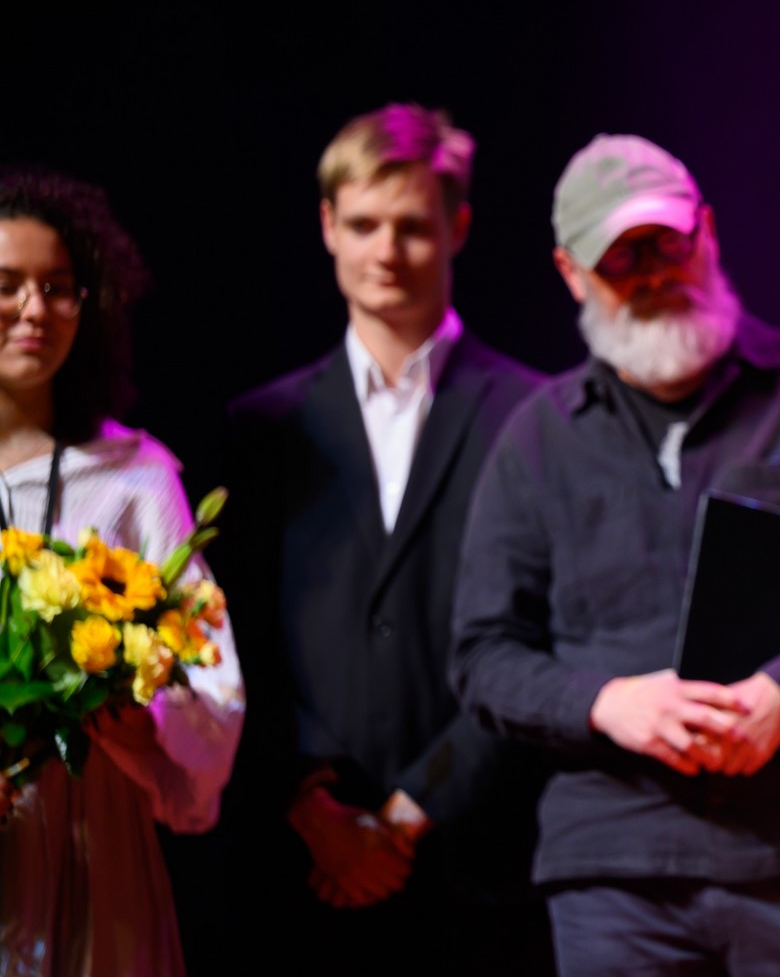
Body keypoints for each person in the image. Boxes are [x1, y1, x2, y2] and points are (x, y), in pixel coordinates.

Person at [449, 133, 780, 975]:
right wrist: (607, 703)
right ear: (570, 273)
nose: (652, 274)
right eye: (620, 259)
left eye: (665, 243)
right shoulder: (537, 437)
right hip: (616, 869)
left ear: (708, 230)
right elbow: (481, 656)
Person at [219, 105, 549, 973]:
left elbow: (546, 634)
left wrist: (411, 811)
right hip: (304, 867)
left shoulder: (536, 417)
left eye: (413, 226)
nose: (387, 251)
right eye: (364, 225)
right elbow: (233, 636)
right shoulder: (262, 428)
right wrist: (308, 803)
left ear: (459, 227)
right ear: (328, 225)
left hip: (484, 869)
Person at [0, 167, 246, 975]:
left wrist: (141, 717)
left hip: (91, 842)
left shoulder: (133, 477)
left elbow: (213, 683)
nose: (35, 309)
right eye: (7, 285)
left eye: (57, 287)